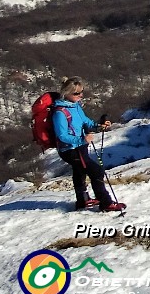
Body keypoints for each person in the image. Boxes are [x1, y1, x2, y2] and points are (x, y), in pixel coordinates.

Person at [52, 78, 124, 212]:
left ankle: (83, 200)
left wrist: (99, 127)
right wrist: (82, 140)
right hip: (71, 150)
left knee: (79, 172)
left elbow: (86, 122)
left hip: (80, 147)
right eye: (76, 93)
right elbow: (62, 136)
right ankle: (106, 203)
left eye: (81, 92)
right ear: (66, 94)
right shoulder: (59, 113)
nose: (80, 95)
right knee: (96, 171)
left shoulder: (75, 106)